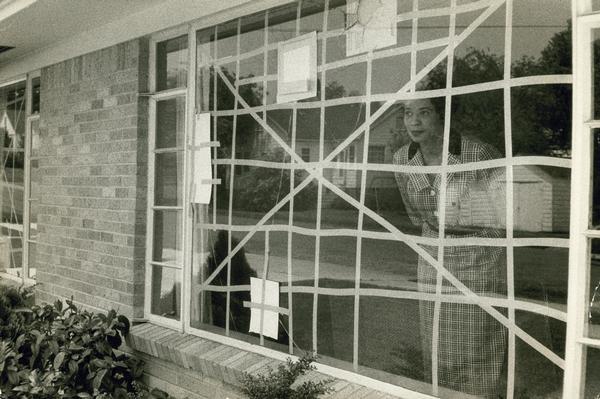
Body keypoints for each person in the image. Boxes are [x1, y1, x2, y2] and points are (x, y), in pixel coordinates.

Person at [393, 97, 507, 398]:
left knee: (478, 339)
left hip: (479, 257)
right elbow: (414, 213)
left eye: (424, 113)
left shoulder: (478, 153)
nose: (414, 122)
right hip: (433, 255)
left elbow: (506, 211)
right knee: (437, 339)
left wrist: (474, 237)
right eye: (408, 114)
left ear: (442, 117)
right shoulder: (402, 160)